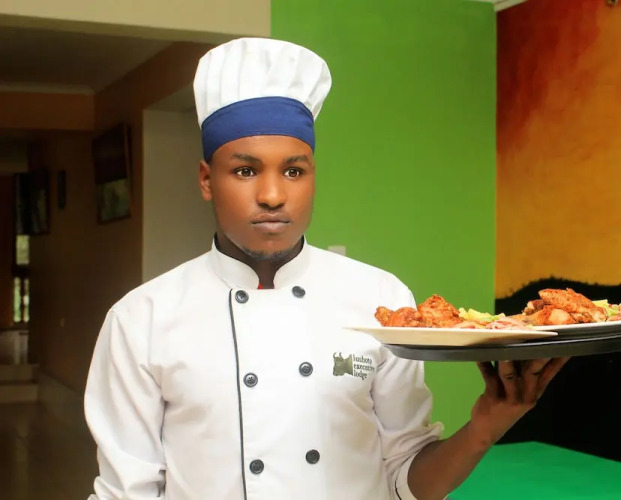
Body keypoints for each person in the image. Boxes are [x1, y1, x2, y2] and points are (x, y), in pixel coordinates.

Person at [83, 37, 568, 500]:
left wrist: (485, 427)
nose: (273, 195)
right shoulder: (142, 319)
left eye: (293, 171)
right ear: (207, 180)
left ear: (313, 176)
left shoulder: (379, 300)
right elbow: (128, 492)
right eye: (245, 170)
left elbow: (406, 483)